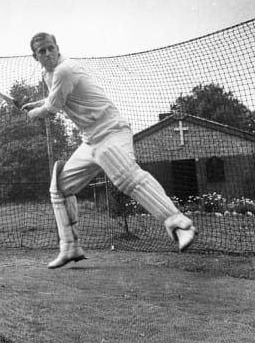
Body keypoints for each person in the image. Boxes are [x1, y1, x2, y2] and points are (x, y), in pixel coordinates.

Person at [21, 32, 196, 269]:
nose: (48, 53)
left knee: (126, 177)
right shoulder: (47, 74)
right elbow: (55, 98)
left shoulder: (65, 69)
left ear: (57, 47)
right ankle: (70, 247)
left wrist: (35, 112)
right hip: (91, 140)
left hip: (112, 131)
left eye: (51, 48)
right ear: (35, 57)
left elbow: (52, 107)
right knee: (60, 188)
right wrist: (36, 104)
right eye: (42, 51)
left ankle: (180, 224)